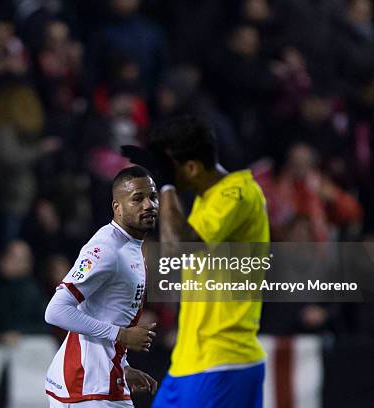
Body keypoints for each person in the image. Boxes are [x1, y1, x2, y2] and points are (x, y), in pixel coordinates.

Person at [123, 116, 269, 408]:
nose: (165, 176)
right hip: (190, 363)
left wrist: (165, 187)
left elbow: (175, 249)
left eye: (170, 168)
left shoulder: (238, 194)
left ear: (192, 167)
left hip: (224, 362)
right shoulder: (208, 199)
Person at [44, 165, 159, 407]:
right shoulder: (106, 248)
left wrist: (123, 366)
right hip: (85, 386)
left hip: (103, 380)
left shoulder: (132, 246)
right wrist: (123, 335)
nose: (149, 205)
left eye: (152, 196)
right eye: (137, 199)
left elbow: (105, 312)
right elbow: (55, 311)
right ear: (117, 207)